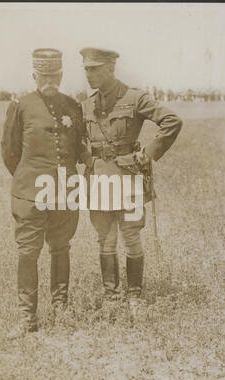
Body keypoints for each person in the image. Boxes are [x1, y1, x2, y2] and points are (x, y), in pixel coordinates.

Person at [80, 47, 183, 319]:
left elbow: (172, 121)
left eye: (95, 69)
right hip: (99, 180)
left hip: (128, 179)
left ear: (110, 69)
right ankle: (111, 296)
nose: (89, 75)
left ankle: (134, 295)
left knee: (131, 236)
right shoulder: (86, 104)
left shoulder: (134, 98)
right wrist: (85, 158)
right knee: (105, 239)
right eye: (86, 69)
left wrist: (145, 155)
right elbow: (77, 139)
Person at [1, 48, 91, 337]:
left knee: (61, 248)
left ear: (61, 75)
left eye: (54, 75)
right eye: (44, 75)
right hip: (31, 194)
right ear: (34, 75)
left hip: (66, 191)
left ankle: (60, 310)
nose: (49, 80)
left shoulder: (72, 106)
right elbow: (9, 152)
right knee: (28, 252)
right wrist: (31, 181)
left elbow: (78, 148)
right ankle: (28, 318)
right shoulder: (21, 105)